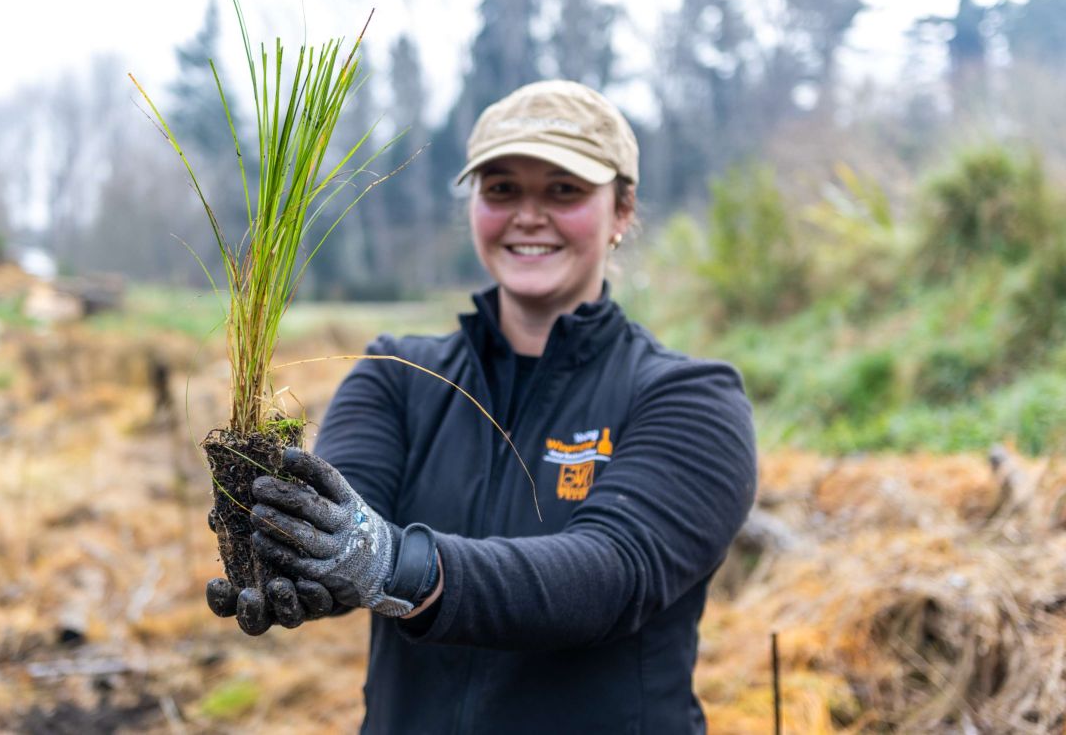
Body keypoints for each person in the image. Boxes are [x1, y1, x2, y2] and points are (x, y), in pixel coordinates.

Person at [206, 80, 757, 733]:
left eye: (564, 190)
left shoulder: (689, 398)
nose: (528, 214)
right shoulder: (398, 376)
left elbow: (611, 570)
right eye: (502, 189)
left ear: (622, 211)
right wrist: (290, 558)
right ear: (474, 204)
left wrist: (391, 562)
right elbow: (351, 514)